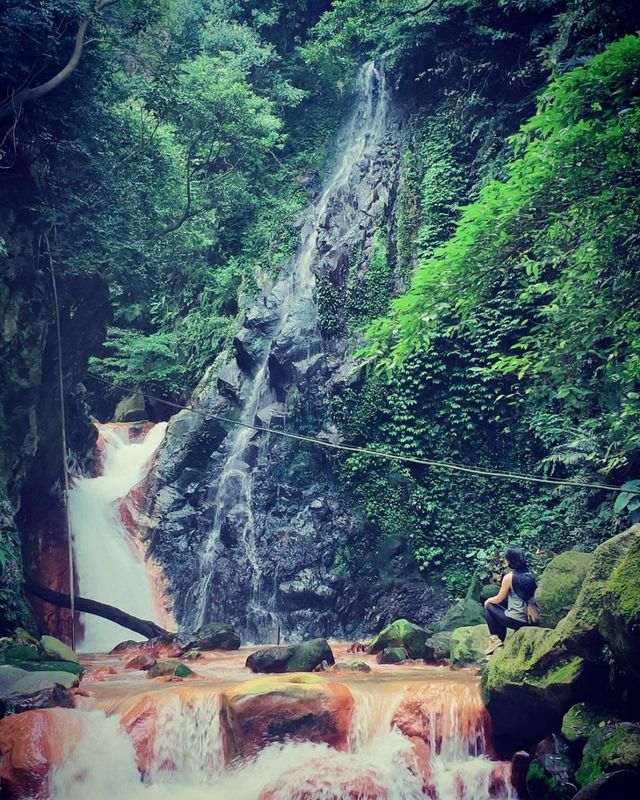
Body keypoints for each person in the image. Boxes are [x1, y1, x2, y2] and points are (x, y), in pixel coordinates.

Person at [483, 546, 536, 656]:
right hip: (529, 619)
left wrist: (488, 600)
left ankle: (495, 639)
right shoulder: (530, 575)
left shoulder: (509, 577)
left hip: (516, 620)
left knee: (489, 605)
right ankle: (498, 642)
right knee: (497, 606)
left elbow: (499, 598)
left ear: (510, 560)